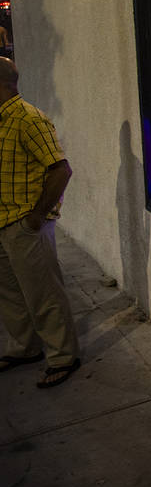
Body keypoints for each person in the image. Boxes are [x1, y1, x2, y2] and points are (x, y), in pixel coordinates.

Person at [0, 57, 80, 389]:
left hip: (24, 223)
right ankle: (24, 348)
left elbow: (61, 169)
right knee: (12, 293)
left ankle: (63, 356)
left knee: (44, 293)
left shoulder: (28, 119)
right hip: (3, 220)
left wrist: (37, 216)